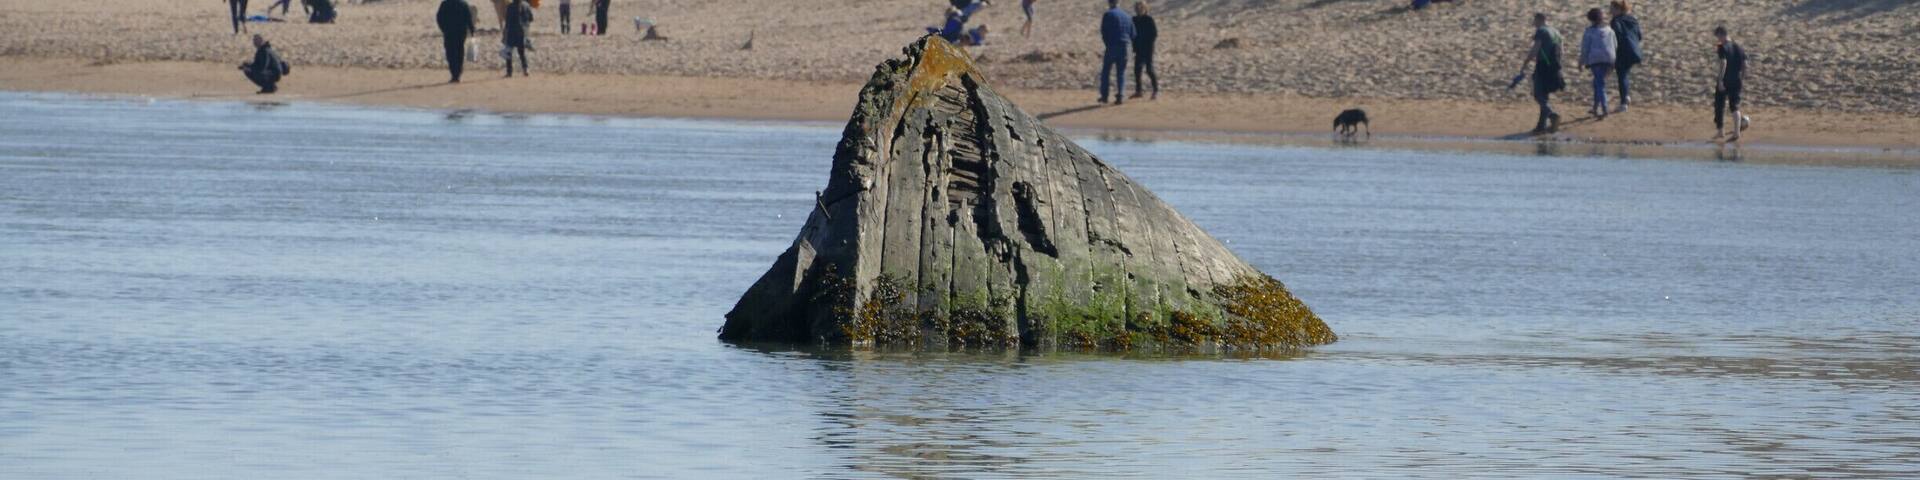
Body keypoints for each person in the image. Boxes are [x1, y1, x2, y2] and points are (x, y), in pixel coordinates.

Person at [1515, 12, 1565, 133]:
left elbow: (1535, 49)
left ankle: (1552, 114)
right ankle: (1541, 126)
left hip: (1543, 66)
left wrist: (1525, 63)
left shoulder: (1541, 31)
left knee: (1538, 94)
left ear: (1540, 19)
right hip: (1555, 67)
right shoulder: (1556, 32)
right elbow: (1562, 50)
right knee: (1544, 95)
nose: (1534, 23)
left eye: (1535, 20)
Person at [1713, 25, 1749, 141]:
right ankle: (1736, 132)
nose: (1718, 39)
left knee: (1719, 105)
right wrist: (1742, 78)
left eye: (1718, 36)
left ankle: (1720, 131)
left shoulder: (1722, 47)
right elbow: (1745, 65)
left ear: (1721, 35)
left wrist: (1720, 80)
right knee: (1734, 106)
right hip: (1736, 80)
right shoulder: (1738, 47)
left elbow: (1723, 63)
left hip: (1725, 80)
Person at [1578, 8, 1616, 118]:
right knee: (1597, 83)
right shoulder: (1609, 30)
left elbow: (1585, 48)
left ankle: (1604, 108)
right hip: (1609, 58)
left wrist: (1581, 61)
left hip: (1596, 59)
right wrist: (1614, 61)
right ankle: (1595, 107)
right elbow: (1614, 45)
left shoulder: (1589, 31)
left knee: (1600, 84)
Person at [1097, 0, 1134, 105]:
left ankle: (1104, 96)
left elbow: (1104, 32)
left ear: (1109, 3)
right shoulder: (1127, 16)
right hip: (1125, 46)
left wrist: (1107, 43)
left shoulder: (1108, 14)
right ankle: (1120, 95)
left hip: (1112, 45)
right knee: (1121, 72)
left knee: (1106, 71)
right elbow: (1133, 33)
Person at [1608, 1, 1642, 112]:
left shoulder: (1615, 21)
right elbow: (1639, 36)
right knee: (1624, 74)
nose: (1610, 10)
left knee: (1622, 75)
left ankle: (1624, 102)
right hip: (1634, 52)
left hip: (1623, 52)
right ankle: (1626, 96)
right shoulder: (1633, 19)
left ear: (1618, 9)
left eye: (1612, 8)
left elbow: (1616, 37)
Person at [437, 0, 476, 83]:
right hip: (461, 32)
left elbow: (439, 18)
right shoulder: (463, 4)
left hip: (449, 32)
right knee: (459, 51)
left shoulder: (445, 4)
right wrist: (472, 29)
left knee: (450, 53)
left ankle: (454, 74)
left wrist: (443, 29)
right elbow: (468, 18)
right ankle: (458, 74)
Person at [1130, 1, 1158, 100]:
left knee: (1149, 69)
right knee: (1137, 70)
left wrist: (1147, 43)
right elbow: (1131, 33)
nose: (1138, 10)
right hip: (1138, 48)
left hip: (1148, 48)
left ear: (1145, 8)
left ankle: (1155, 90)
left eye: (1141, 8)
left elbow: (1154, 34)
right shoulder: (1133, 19)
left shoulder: (1149, 19)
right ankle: (1139, 91)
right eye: (1137, 8)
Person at [503, 0, 534, 77]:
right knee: (521, 52)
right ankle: (525, 69)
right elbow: (531, 18)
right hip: (522, 32)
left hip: (511, 31)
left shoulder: (510, 6)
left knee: (509, 52)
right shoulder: (526, 5)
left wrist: (504, 34)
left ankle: (509, 72)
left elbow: (507, 21)